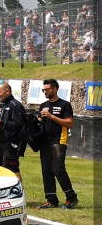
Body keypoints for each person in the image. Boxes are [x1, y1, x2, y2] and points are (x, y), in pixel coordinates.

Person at [37, 79, 78, 209]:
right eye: (43, 89)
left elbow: (69, 123)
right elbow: (40, 122)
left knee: (57, 168)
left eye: (47, 89)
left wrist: (51, 116)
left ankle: (71, 197)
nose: (45, 91)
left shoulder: (65, 105)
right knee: (46, 170)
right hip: (45, 142)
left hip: (58, 141)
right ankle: (51, 199)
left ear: (55, 89)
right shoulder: (43, 105)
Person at [0, 83, 26, 180]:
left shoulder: (16, 105)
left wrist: (2, 123)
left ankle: (19, 192)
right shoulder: (0, 105)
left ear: (7, 91)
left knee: (12, 170)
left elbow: (20, 125)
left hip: (11, 143)